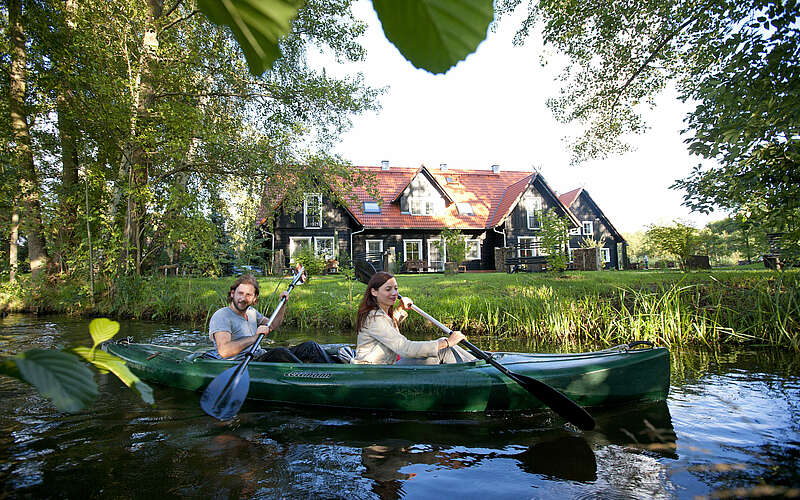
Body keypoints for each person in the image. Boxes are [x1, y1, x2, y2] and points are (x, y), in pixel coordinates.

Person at [352, 271, 475, 365]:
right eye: (388, 289)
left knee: (443, 345)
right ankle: (478, 371)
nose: (394, 293)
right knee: (444, 348)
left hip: (387, 366)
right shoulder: (374, 317)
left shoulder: (378, 313)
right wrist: (448, 342)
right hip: (375, 372)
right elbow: (405, 348)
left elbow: (388, 327)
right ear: (374, 292)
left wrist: (399, 309)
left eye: (396, 288)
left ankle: (478, 364)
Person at [206, 274, 331, 363]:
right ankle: (308, 376)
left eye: (248, 295)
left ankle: (339, 370)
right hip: (242, 363)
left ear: (254, 299)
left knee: (310, 346)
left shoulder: (251, 313)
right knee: (279, 353)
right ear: (233, 293)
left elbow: (273, 325)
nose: (243, 298)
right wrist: (254, 338)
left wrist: (283, 304)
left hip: (259, 356)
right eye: (240, 293)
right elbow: (224, 351)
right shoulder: (222, 316)